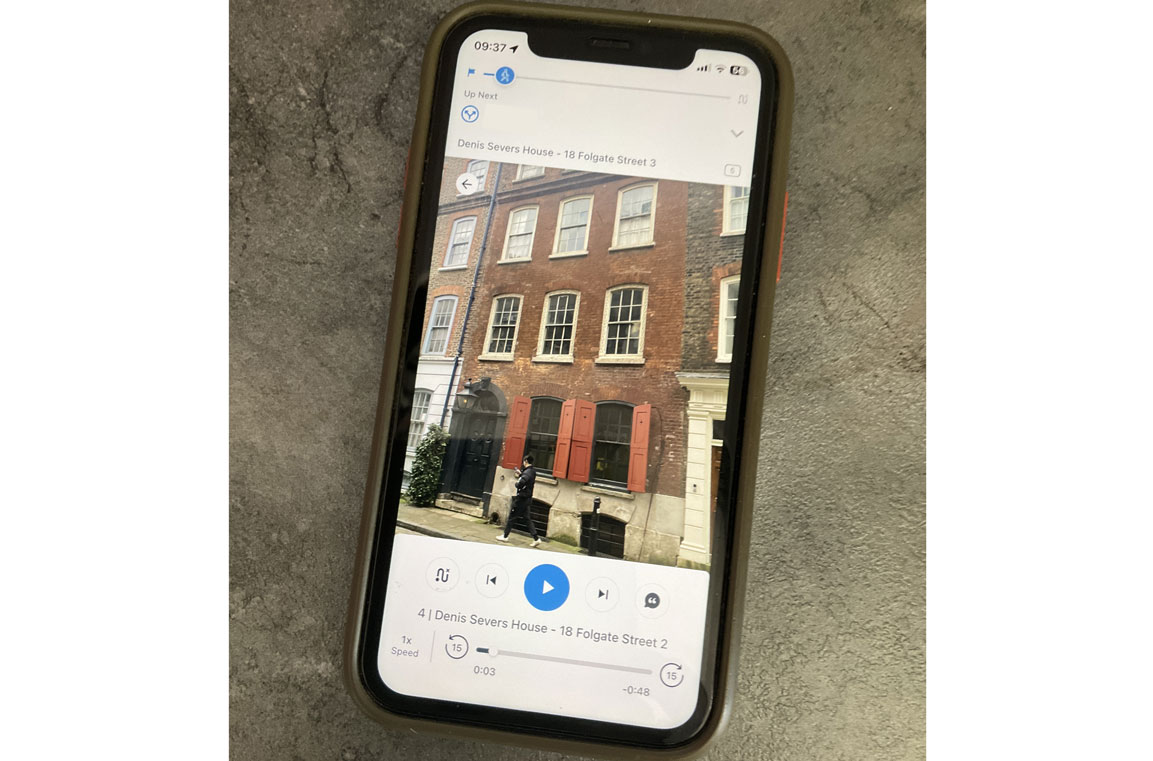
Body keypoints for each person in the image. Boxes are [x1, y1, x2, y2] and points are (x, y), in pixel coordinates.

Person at [497, 455, 542, 546]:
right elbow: (527, 479)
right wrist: (521, 474)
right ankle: (536, 538)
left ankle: (505, 536)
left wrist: (517, 484)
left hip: (521, 498)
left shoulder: (527, 472)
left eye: (523, 461)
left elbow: (522, 482)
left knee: (512, 516)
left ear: (526, 461)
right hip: (527, 498)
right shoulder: (532, 471)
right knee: (527, 519)